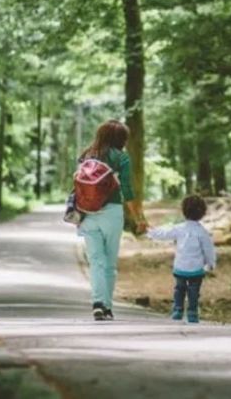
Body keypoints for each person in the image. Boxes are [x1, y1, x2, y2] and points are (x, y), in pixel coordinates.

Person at [77, 119, 145, 321]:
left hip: (87, 213)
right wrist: (138, 217)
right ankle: (106, 306)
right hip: (112, 213)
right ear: (120, 139)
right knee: (109, 262)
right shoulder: (121, 157)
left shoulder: (86, 155)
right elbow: (127, 190)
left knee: (95, 260)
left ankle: (97, 303)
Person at [147, 195, 217, 324]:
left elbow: (164, 234)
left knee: (179, 289)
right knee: (194, 292)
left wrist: (149, 231)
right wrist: (211, 263)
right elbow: (209, 249)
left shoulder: (179, 228)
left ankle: (178, 310)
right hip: (196, 269)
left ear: (184, 211)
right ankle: (192, 313)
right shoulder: (202, 232)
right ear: (202, 213)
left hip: (180, 268)